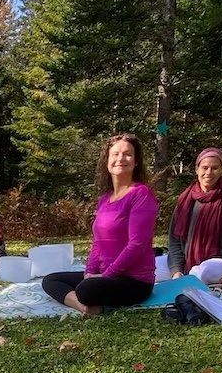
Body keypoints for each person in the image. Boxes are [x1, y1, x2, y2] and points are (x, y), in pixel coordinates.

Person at [42, 133, 158, 315]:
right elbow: (98, 243)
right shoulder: (105, 199)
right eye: (115, 154)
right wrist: (89, 272)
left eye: (127, 154)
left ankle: (86, 299)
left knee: (86, 290)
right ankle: (85, 308)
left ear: (136, 162)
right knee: (50, 280)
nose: (121, 158)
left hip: (134, 281)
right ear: (107, 161)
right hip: (104, 276)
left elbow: (137, 244)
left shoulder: (141, 194)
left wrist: (106, 275)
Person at [168, 147, 222, 284]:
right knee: (151, 268)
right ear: (197, 169)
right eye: (205, 167)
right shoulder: (186, 199)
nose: (209, 172)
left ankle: (186, 282)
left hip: (218, 264)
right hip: (187, 261)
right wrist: (176, 271)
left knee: (201, 272)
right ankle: (182, 278)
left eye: (214, 168)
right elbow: (174, 241)